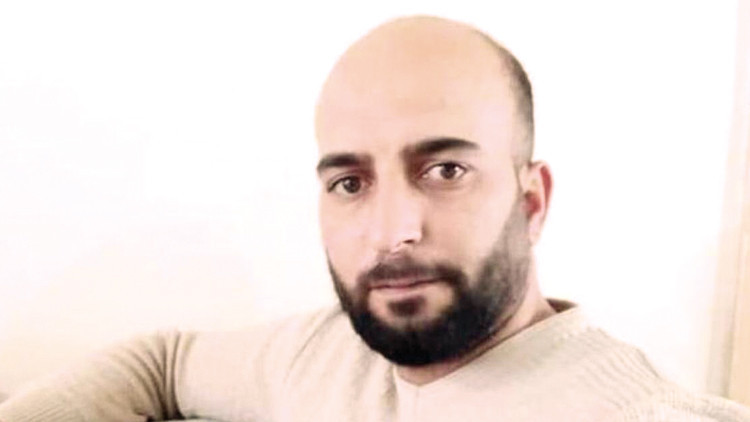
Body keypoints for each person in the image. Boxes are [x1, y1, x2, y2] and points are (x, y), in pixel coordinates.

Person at [0, 15, 748, 422]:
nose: (392, 231)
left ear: (531, 203)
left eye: (445, 170)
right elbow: (162, 363)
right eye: (351, 182)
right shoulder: (322, 352)